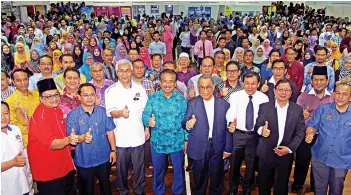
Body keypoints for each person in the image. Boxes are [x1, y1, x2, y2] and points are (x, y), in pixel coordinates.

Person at [182, 74, 232, 195]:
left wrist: (228, 148)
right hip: (199, 146)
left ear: (213, 86)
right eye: (202, 87)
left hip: (217, 146)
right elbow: (184, 122)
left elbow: (228, 128)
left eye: (208, 87)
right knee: (199, 178)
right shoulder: (192, 103)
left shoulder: (224, 104)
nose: (205, 90)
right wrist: (188, 124)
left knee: (217, 177)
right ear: (198, 88)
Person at [255, 79, 305, 195]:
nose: (283, 92)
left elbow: (300, 132)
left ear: (291, 93)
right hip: (266, 152)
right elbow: (258, 124)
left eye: (286, 90)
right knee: (263, 185)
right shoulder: (264, 107)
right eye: (280, 89)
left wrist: (289, 149)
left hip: (285, 153)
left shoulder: (297, 110)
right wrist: (262, 130)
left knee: (281, 187)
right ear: (274, 91)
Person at [105, 59, 148, 195]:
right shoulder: (111, 91)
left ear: (131, 71)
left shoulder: (139, 88)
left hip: (138, 136)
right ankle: (123, 191)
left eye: (127, 71)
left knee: (139, 167)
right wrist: (121, 113)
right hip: (121, 138)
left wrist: (147, 128)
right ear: (117, 73)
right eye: (121, 71)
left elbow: (145, 111)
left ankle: (139, 190)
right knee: (121, 169)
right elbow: (111, 112)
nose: (124, 74)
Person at [142, 69, 187, 195]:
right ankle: (158, 191)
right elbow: (145, 115)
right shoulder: (153, 98)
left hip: (176, 142)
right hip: (158, 142)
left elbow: (185, 120)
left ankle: (178, 191)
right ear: (160, 83)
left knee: (178, 170)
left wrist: (186, 139)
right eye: (165, 81)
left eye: (171, 81)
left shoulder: (181, 99)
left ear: (175, 83)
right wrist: (148, 122)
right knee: (158, 170)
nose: (167, 85)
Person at [66, 83, 116, 195]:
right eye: (86, 95)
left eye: (92, 94)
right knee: (87, 190)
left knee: (106, 187)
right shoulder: (72, 116)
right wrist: (82, 138)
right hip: (84, 160)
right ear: (79, 97)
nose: (89, 98)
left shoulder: (103, 112)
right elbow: (72, 139)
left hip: (104, 157)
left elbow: (110, 132)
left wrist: (113, 150)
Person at [27, 78, 75, 195]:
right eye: (49, 97)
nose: (54, 99)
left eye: (56, 95)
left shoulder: (57, 110)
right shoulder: (40, 117)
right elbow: (53, 144)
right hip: (48, 170)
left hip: (62, 164)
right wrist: (69, 139)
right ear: (41, 99)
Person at [291, 66, 334, 193]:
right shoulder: (303, 97)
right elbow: (295, 118)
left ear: (327, 81)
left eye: (322, 80)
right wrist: (301, 116)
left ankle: (316, 187)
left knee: (320, 163)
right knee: (302, 160)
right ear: (311, 81)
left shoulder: (332, 97)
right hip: (306, 135)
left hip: (324, 137)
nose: (319, 83)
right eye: (316, 80)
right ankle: (298, 184)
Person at [226, 72, 269, 195]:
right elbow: (230, 112)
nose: (250, 87)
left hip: (254, 136)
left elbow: (265, 118)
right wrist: (230, 123)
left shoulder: (263, 98)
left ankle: (247, 189)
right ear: (243, 83)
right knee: (234, 164)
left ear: (258, 84)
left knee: (251, 165)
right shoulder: (235, 96)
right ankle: (233, 189)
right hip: (238, 135)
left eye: (253, 84)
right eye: (247, 83)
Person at [305, 81, 351, 195]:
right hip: (320, 158)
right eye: (338, 93)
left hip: (342, 162)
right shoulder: (323, 109)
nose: (340, 97)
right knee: (319, 190)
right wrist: (309, 133)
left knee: (337, 188)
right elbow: (312, 125)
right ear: (333, 94)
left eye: (344, 94)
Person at [1, 101, 34, 195]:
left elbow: (24, 156)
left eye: (6, 113)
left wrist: (29, 179)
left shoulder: (15, 129)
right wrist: (12, 163)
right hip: (7, 189)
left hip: (25, 185)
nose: (3, 117)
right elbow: (16, 161)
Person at [6, 69, 40, 147]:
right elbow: (13, 124)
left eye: (25, 79)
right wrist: (33, 130)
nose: (23, 83)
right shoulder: (10, 101)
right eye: (18, 80)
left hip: (43, 136)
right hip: (25, 141)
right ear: (13, 82)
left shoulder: (37, 95)